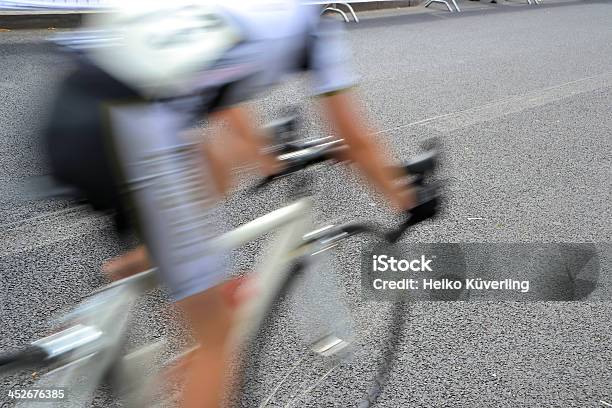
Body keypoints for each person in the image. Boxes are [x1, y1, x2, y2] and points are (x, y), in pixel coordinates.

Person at [44, 1, 432, 407]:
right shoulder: (314, 31)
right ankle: (192, 324)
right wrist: (408, 196)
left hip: (71, 114)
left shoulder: (243, 12)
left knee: (209, 168)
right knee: (217, 337)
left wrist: (264, 154)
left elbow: (223, 102)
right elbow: (357, 139)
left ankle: (122, 287)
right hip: (129, 135)